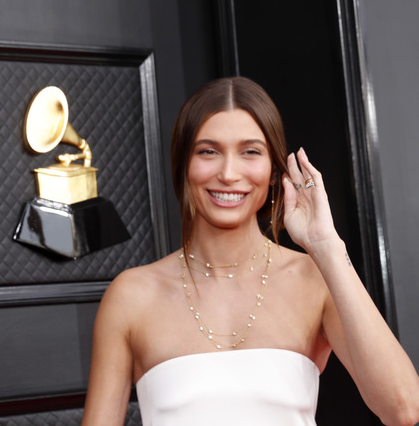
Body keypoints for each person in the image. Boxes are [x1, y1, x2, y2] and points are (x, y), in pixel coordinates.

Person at [81, 77, 419, 425]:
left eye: (250, 152)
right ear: (183, 164)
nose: (228, 173)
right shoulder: (132, 296)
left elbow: (403, 409)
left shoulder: (314, 280)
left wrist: (327, 247)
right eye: (208, 151)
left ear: (274, 171)